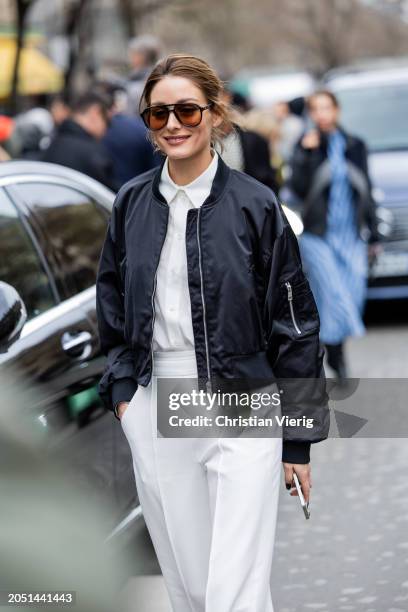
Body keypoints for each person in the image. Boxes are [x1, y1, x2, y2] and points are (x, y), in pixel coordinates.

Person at [96, 54, 329, 612]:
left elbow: (295, 325)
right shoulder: (130, 203)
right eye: (158, 115)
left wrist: (296, 439)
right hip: (158, 404)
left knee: (235, 588)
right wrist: (126, 393)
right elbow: (111, 307)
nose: (173, 124)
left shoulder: (255, 204)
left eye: (186, 110)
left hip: (244, 399)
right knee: (193, 587)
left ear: (215, 114)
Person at [288, 90, 380, 379]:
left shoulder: (355, 145)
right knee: (332, 295)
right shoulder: (305, 146)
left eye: (327, 108)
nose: (322, 114)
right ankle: (334, 356)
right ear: (311, 114)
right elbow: (298, 189)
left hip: (351, 234)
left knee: (353, 295)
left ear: (337, 110)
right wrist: (306, 152)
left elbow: (366, 188)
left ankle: (334, 348)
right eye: (316, 109)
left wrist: (374, 232)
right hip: (318, 235)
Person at [42, 92, 117, 190]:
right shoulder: (94, 153)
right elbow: (109, 197)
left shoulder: (51, 144)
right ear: (95, 112)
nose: (106, 129)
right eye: (108, 121)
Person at [125, 34, 162, 115]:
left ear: (142, 57)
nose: (130, 58)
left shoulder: (152, 76)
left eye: (133, 54)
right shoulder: (135, 75)